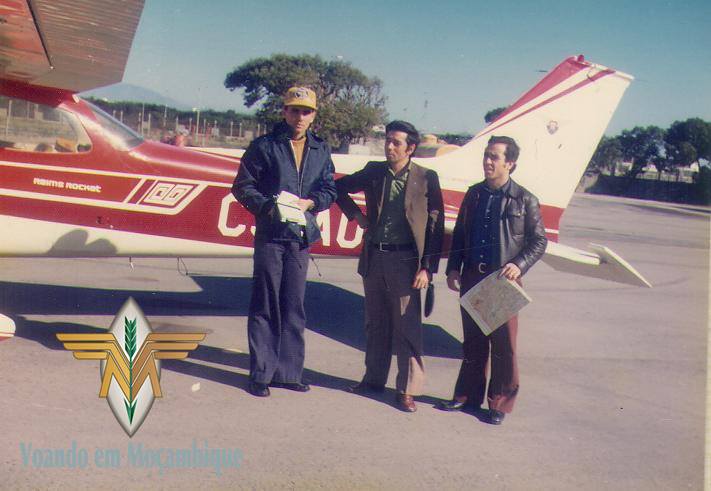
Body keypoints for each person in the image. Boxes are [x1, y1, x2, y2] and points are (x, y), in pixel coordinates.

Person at [233, 87, 336, 397]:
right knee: (265, 303)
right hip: (271, 236)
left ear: (314, 115)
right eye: (294, 110)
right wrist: (268, 207)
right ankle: (261, 374)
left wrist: (312, 202)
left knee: (294, 304)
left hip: (300, 238)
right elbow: (243, 186)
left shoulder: (321, 149)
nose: (300, 117)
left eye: (306, 111)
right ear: (284, 112)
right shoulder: (265, 146)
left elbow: (329, 189)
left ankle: (289, 373)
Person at [436, 135, 547, 424]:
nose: (487, 161)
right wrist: (453, 268)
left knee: (503, 346)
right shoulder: (474, 195)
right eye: (486, 155)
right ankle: (466, 397)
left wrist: (519, 265)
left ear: (510, 163)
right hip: (473, 275)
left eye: (494, 157)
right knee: (473, 343)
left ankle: (499, 403)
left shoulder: (524, 199)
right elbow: (460, 234)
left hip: (502, 280)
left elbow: (539, 241)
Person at [336, 120, 444, 412]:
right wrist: (356, 216)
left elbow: (435, 226)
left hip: (406, 261)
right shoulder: (374, 171)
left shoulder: (426, 178)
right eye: (387, 140)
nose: (389, 146)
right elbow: (337, 188)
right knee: (376, 323)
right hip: (375, 257)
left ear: (410, 148)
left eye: (396, 142)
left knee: (407, 326)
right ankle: (373, 380)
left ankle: (407, 390)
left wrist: (427, 267)